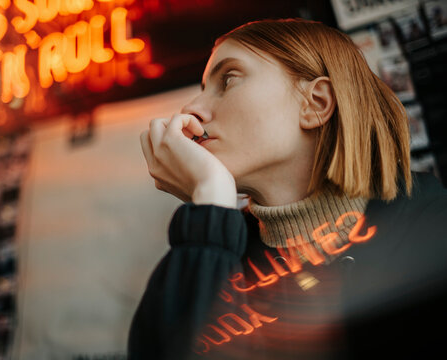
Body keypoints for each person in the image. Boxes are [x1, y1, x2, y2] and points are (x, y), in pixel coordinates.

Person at [128, 18, 447, 360]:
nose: (191, 109)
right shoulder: (215, 255)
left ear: (316, 103)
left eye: (228, 79)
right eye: (204, 87)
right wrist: (209, 207)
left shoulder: (434, 227)